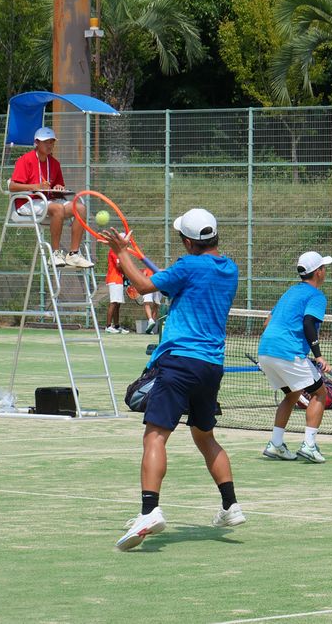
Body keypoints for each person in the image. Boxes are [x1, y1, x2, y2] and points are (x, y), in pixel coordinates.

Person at [102, 208, 244, 551]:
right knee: (205, 436)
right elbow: (180, 284)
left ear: (188, 242)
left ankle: (149, 511)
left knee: (155, 436)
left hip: (179, 362)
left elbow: (143, 286)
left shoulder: (187, 266)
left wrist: (121, 252)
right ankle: (230, 505)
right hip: (211, 366)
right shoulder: (230, 269)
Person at [257, 251, 332, 464]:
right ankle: (309, 446)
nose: (326, 271)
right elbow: (308, 323)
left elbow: (267, 322)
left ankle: (276, 444)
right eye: (324, 268)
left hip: (266, 350)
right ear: (318, 272)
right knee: (319, 394)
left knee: (292, 394)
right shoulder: (316, 296)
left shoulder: (291, 292)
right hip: (287, 352)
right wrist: (319, 357)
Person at [9, 126, 93, 269]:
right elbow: (12, 186)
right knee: (58, 208)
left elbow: (56, 189)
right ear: (37, 143)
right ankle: (55, 254)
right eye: (46, 142)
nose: (49, 145)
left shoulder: (54, 163)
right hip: (26, 203)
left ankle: (73, 254)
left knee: (80, 208)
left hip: (48, 201)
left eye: (52, 142)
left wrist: (59, 188)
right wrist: (35, 187)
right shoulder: (25, 160)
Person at [104, 248, 130, 334]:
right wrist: (127, 274)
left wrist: (125, 276)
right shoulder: (114, 250)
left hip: (119, 280)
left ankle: (116, 326)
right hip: (114, 279)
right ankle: (108, 326)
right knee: (114, 302)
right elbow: (119, 266)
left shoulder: (119, 251)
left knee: (117, 304)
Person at [142, 267, 162, 334]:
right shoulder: (159, 270)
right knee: (156, 305)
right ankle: (151, 328)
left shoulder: (146, 270)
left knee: (147, 304)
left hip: (149, 283)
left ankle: (150, 320)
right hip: (158, 284)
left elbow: (143, 277)